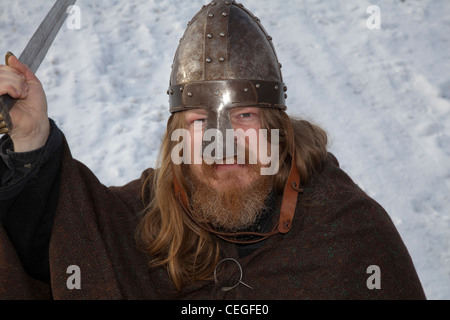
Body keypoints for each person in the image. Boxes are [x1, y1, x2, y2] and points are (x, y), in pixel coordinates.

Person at [0, 1, 425, 299]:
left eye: (243, 116)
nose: (221, 143)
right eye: (200, 119)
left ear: (275, 126)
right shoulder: (142, 220)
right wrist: (30, 144)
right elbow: (57, 247)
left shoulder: (349, 232)